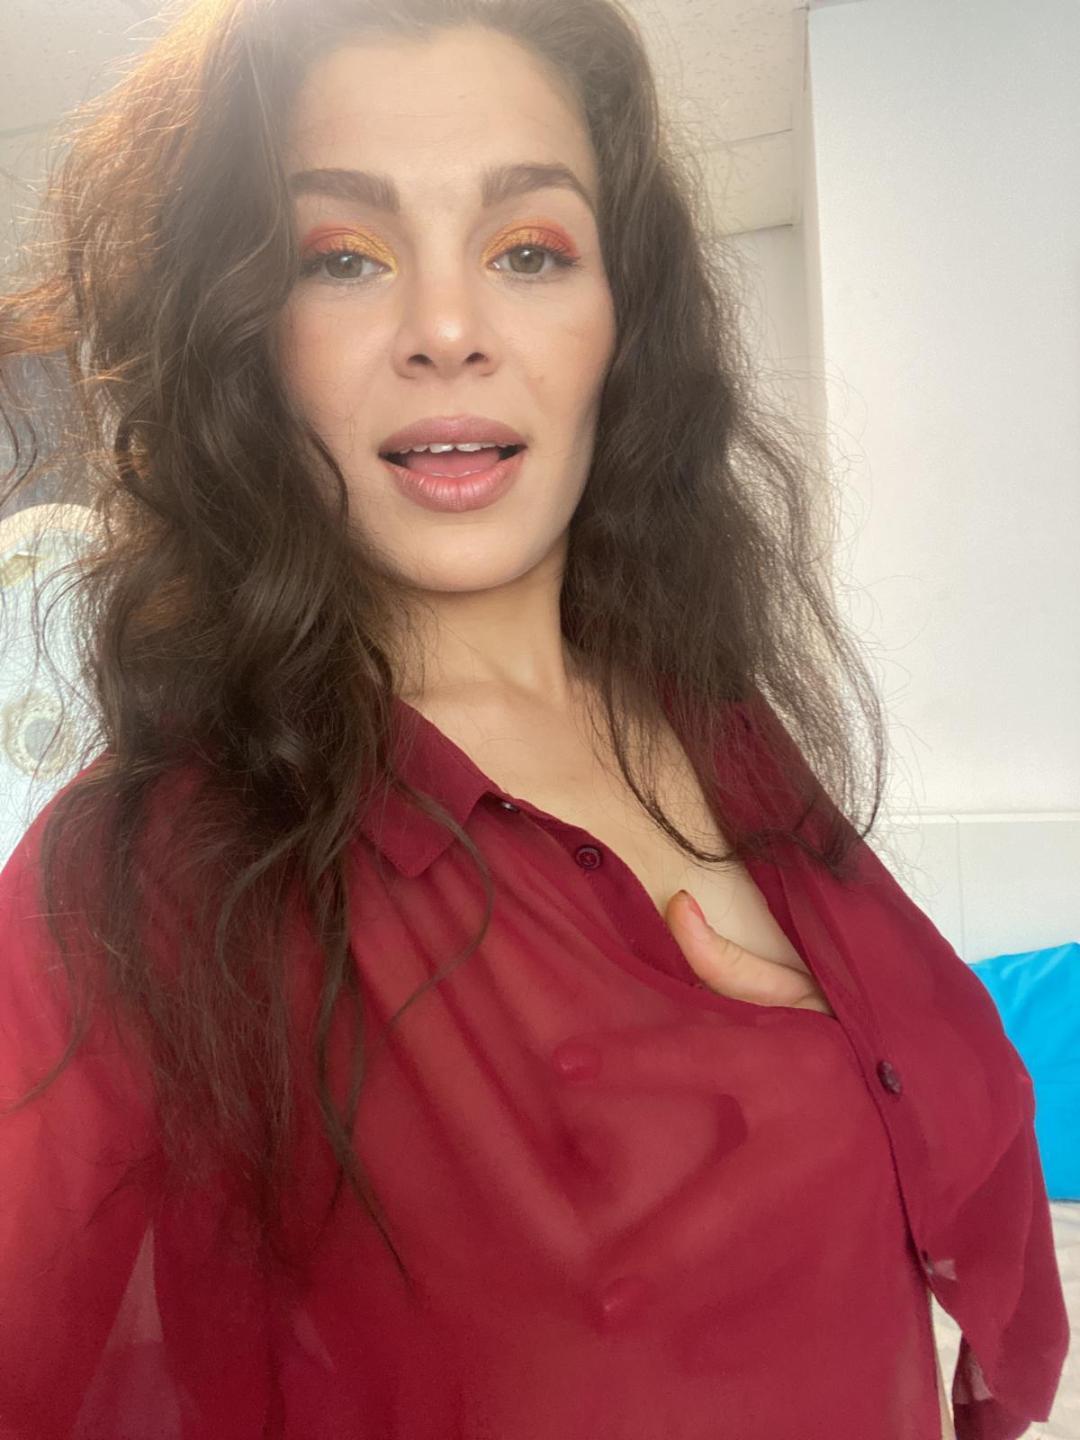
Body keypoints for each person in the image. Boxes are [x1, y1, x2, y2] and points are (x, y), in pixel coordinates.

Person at [0, 1, 1067, 1437]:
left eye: (528, 251)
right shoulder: (131, 881)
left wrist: (826, 1072)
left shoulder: (720, 727)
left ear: (622, 323)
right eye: (342, 256)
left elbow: (953, 1092)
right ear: (249, 339)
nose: (448, 330)